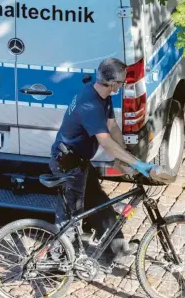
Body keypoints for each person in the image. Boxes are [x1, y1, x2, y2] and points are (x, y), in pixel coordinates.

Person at [49, 58, 156, 263]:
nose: (123, 86)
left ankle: (116, 250)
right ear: (113, 83)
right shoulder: (90, 104)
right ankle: (56, 265)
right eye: (122, 83)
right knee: (71, 219)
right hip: (67, 164)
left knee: (100, 205)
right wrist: (137, 164)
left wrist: (126, 154)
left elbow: (112, 126)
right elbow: (105, 142)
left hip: (78, 161)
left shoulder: (102, 95)